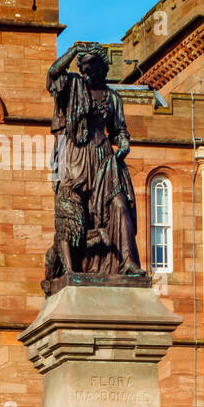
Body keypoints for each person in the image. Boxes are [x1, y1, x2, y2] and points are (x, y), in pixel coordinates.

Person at [43, 40, 143, 292]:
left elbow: (119, 130)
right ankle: (72, 268)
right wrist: (73, 51)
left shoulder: (113, 98)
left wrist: (123, 145)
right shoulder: (73, 86)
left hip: (103, 159)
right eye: (83, 66)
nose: (86, 71)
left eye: (91, 66)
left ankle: (128, 264)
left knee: (119, 204)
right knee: (76, 215)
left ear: (103, 68)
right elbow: (53, 74)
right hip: (75, 156)